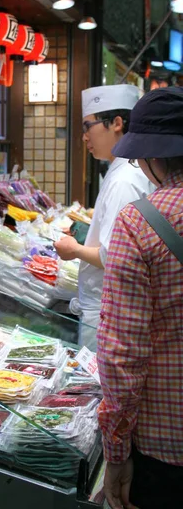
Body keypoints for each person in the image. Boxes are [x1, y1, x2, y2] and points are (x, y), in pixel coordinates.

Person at [97, 86, 183, 509]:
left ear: (153, 156)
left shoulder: (141, 223)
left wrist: (115, 454)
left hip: (168, 444)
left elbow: (121, 355)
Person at [54, 85, 154, 349]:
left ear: (117, 123)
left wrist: (74, 250)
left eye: (88, 126)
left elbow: (113, 255)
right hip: (109, 306)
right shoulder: (123, 168)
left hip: (108, 309)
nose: (84, 137)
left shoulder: (125, 178)